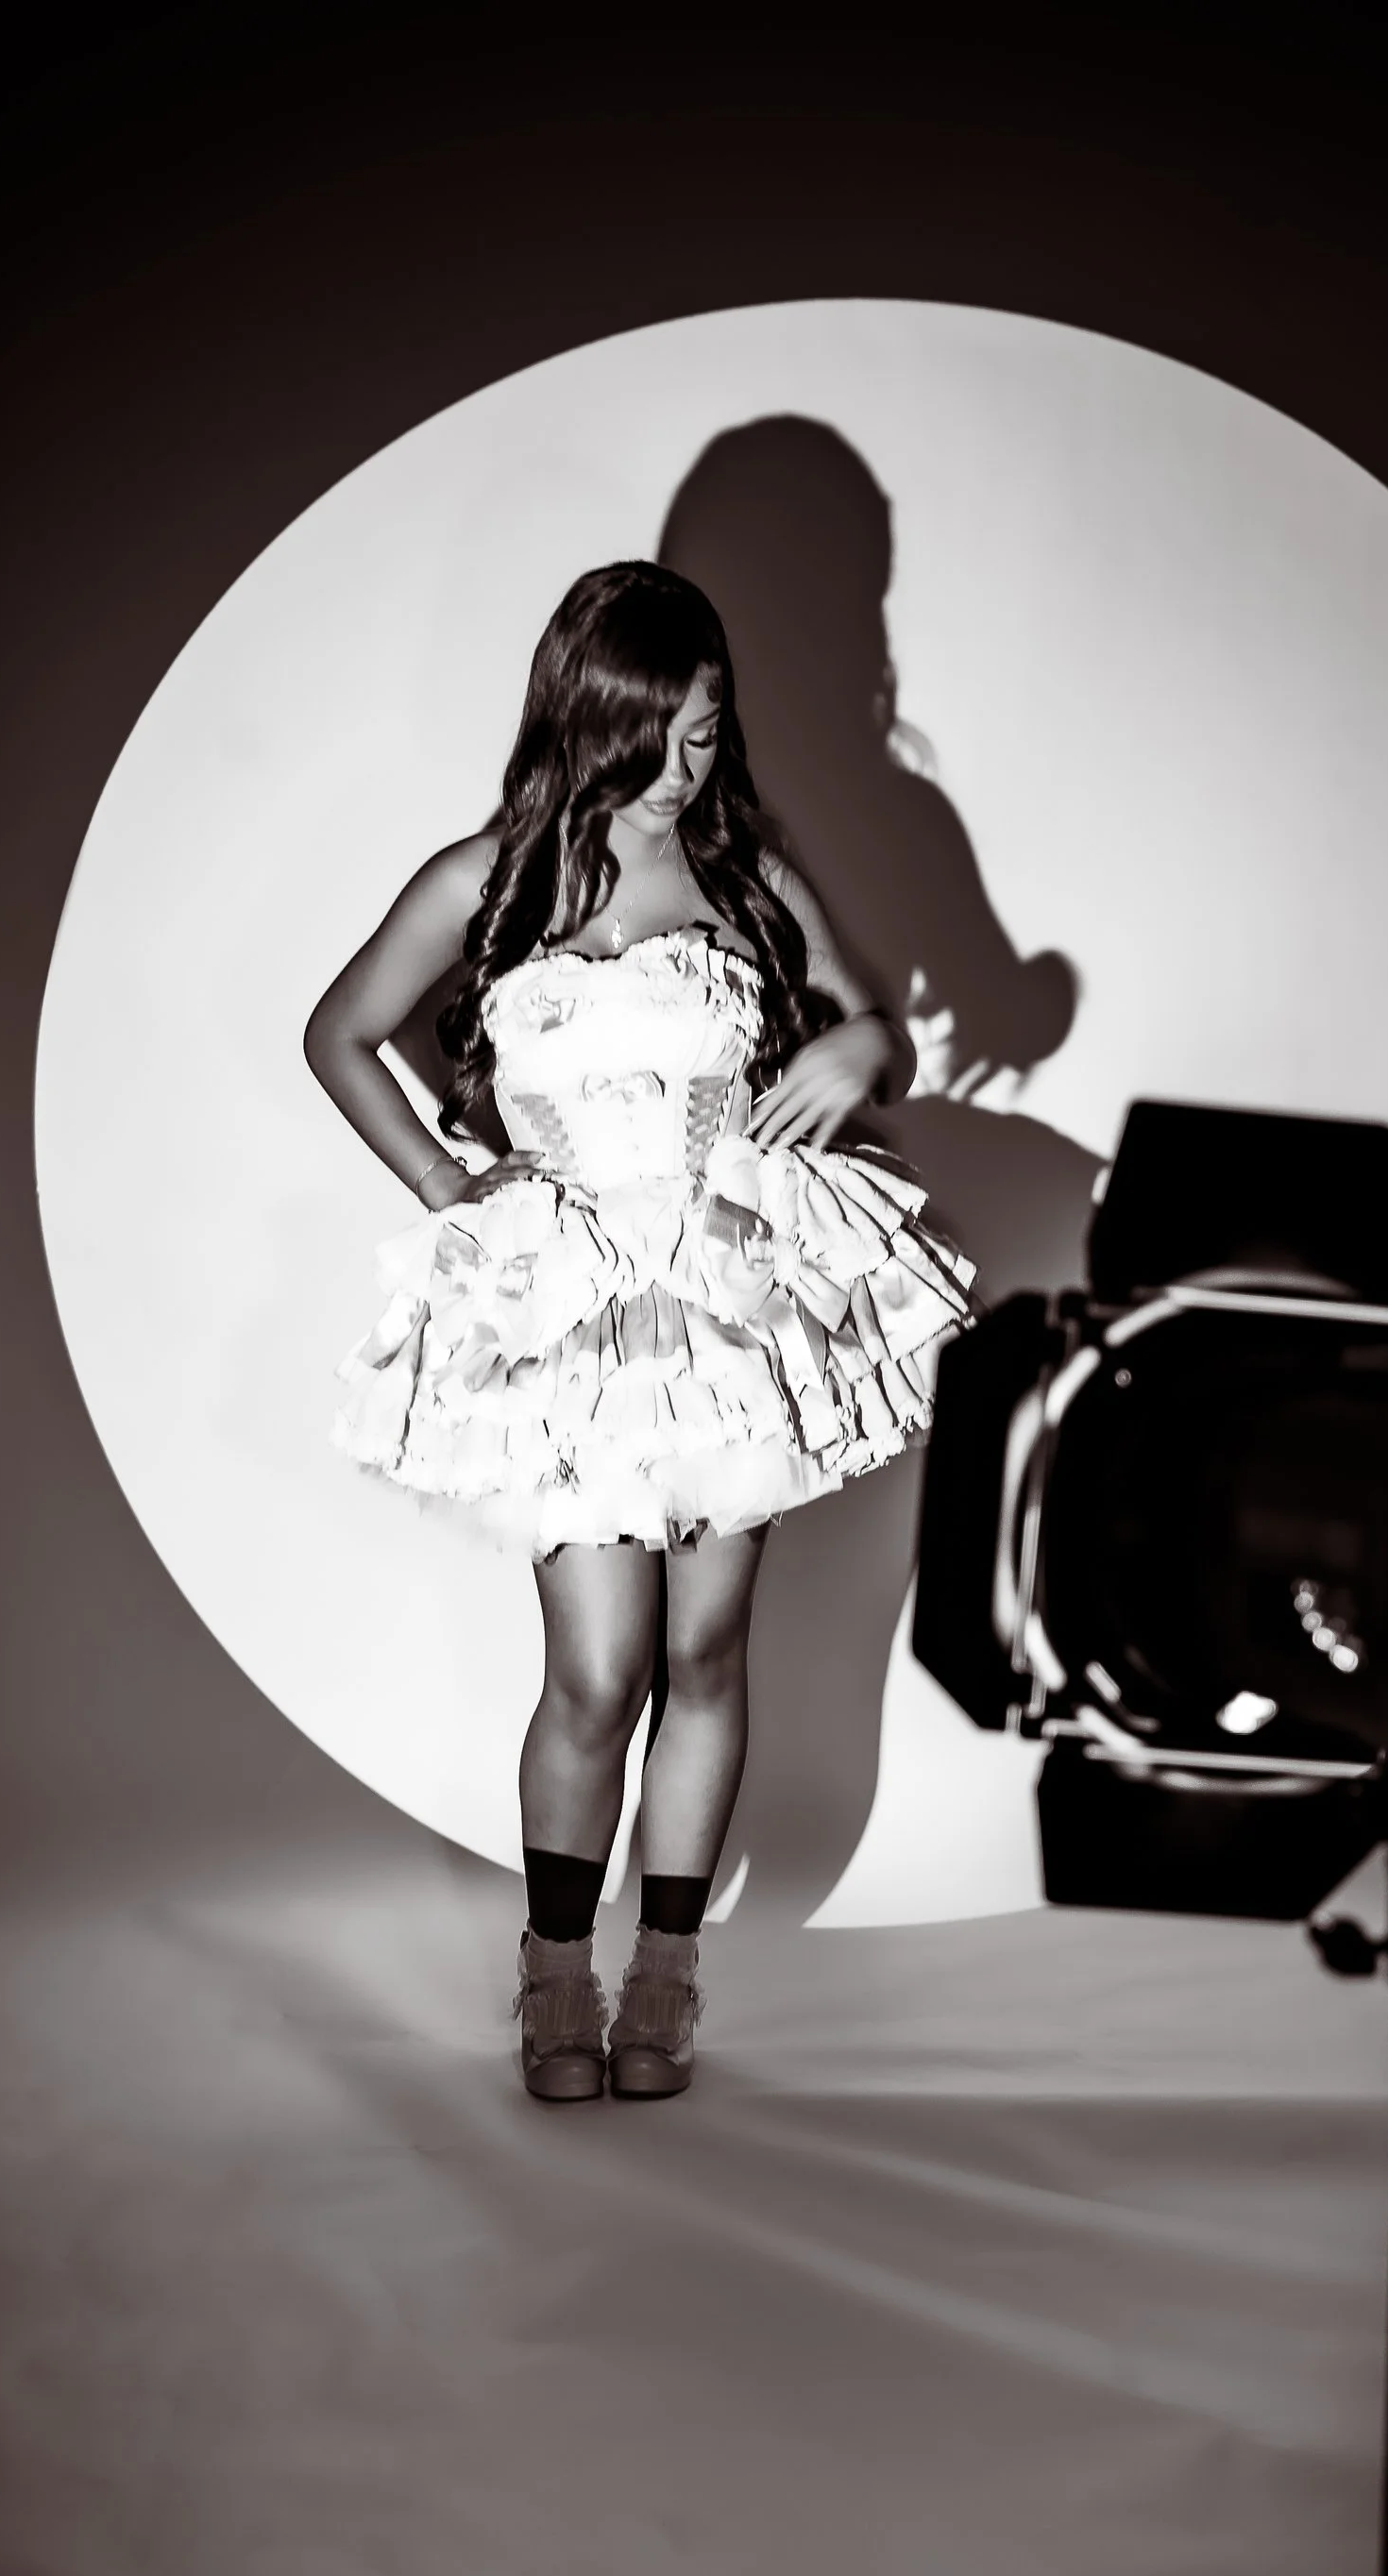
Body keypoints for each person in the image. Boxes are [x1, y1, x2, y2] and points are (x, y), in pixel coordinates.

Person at [305, 561, 975, 2102]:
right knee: (599, 1669)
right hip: (573, 1313)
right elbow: (338, 1033)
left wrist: (858, 1049)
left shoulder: (744, 869)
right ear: (589, 724)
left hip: (729, 1304)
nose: (692, 769)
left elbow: (880, 1033)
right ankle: (556, 1980)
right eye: (665, 737)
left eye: (710, 733)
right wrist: (447, 1178)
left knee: (706, 1648)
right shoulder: (485, 880)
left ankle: (664, 1980)